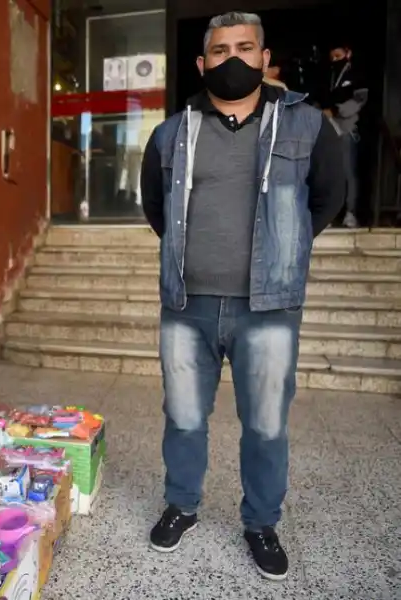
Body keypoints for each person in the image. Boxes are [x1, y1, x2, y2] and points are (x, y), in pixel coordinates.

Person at [139, 12, 344, 581]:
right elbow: (156, 206)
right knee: (183, 417)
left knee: (266, 424)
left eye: (245, 48)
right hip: (188, 306)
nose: (233, 59)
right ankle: (182, 506)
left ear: (264, 58)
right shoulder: (171, 133)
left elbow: (327, 199)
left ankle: (261, 523)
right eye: (220, 50)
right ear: (201, 63)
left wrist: (282, 250)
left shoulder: (307, 126)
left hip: (268, 308)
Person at [325, 42, 368, 227]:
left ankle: (351, 212)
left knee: (348, 171)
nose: (335, 60)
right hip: (329, 129)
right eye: (332, 57)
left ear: (348, 53)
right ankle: (330, 214)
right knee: (330, 174)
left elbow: (360, 100)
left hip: (348, 128)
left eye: (338, 56)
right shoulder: (330, 75)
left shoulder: (357, 74)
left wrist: (336, 110)